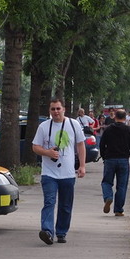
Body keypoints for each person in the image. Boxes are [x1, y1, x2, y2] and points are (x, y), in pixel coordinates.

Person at [32, 98, 87, 244]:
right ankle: (47, 232)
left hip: (68, 173)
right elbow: (35, 146)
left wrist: (82, 166)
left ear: (64, 109)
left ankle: (61, 232)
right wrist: (47, 152)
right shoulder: (43, 127)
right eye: (53, 109)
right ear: (49, 111)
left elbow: (80, 145)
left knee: (65, 205)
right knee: (49, 202)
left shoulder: (73, 124)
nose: (56, 112)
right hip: (49, 173)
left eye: (58, 108)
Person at [99, 109, 130, 217]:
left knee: (106, 182)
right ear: (125, 118)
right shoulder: (129, 130)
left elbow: (102, 144)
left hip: (110, 159)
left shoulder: (108, 129)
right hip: (123, 160)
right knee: (122, 185)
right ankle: (118, 210)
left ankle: (108, 197)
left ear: (115, 117)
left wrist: (104, 157)